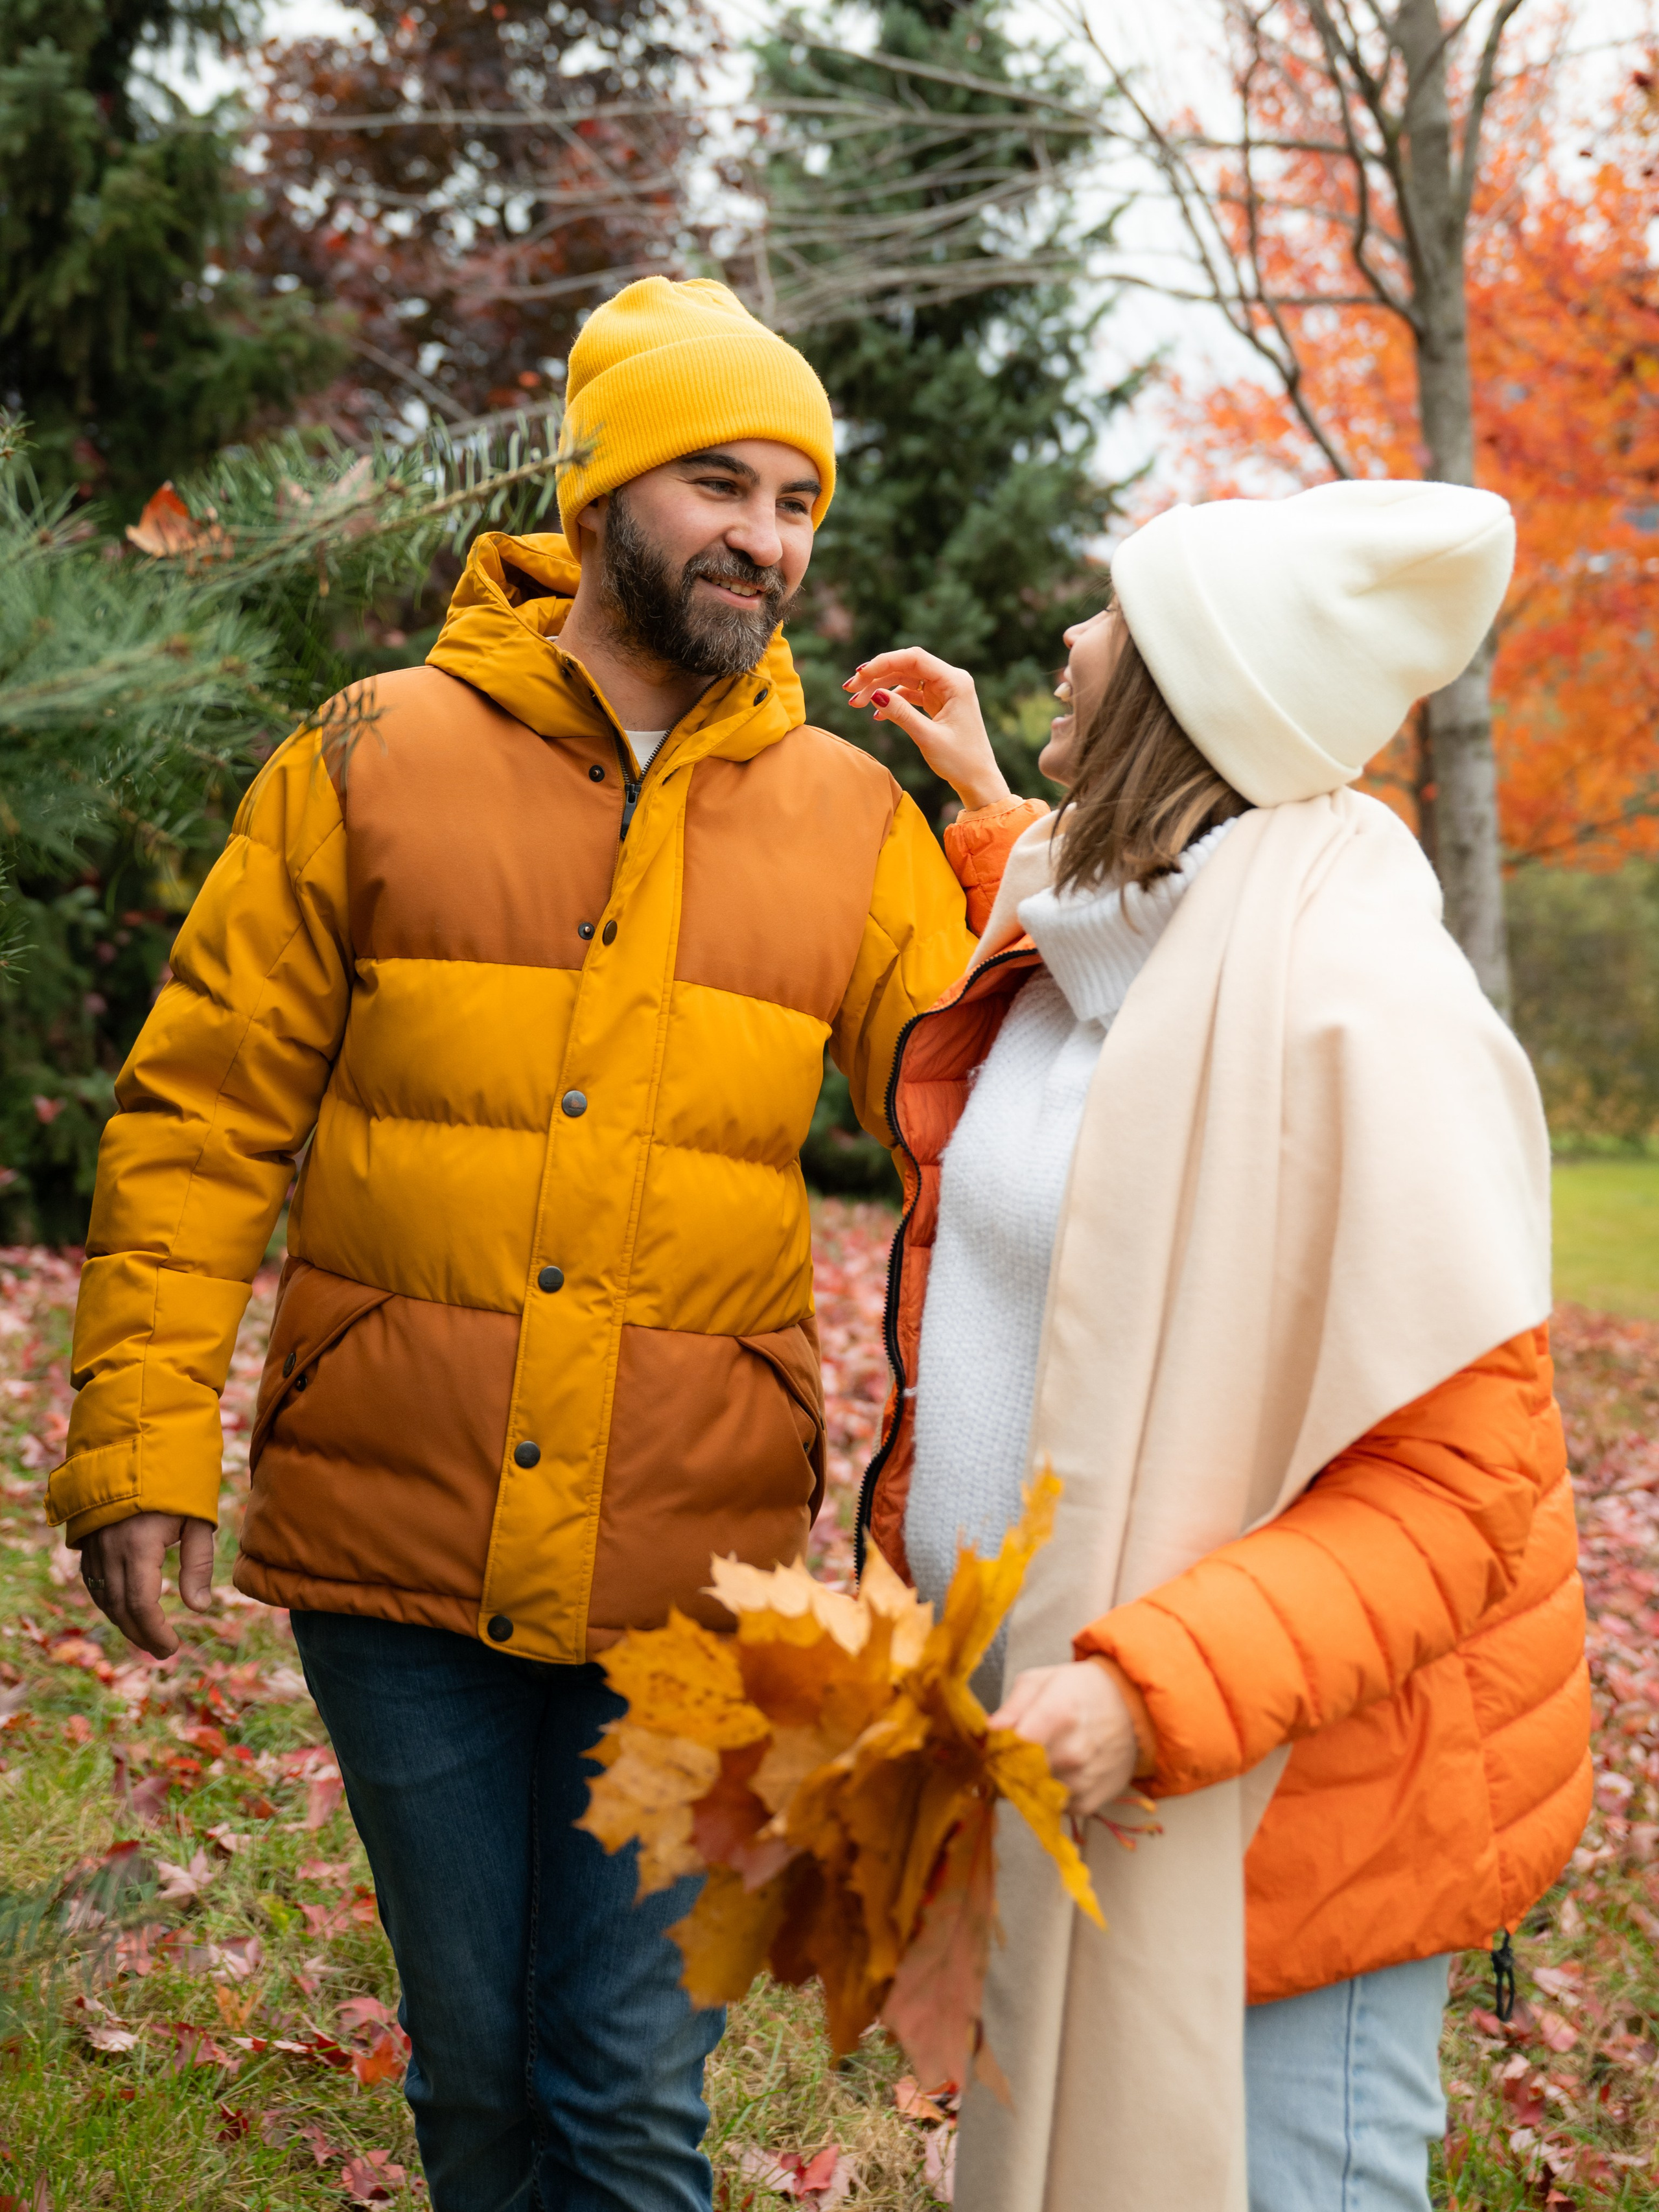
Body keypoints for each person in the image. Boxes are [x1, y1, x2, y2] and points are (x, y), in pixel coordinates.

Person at [46, 276, 1043, 2212]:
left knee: (623, 2096)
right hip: (393, 1533)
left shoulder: (847, 817)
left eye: (801, 500)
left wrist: (995, 831)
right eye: (722, 484)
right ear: (596, 500)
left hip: (694, 1550)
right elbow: (201, 1117)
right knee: (483, 2079)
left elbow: (1003, 1092)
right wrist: (142, 1438)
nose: (768, 535)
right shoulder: (367, 754)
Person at [850, 480, 1590, 2211]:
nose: (1067, 636)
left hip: (1294, 1788)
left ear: (1188, 693)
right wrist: (984, 801)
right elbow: (1110, 973)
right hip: (1071, 1756)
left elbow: (1455, 1494)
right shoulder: (1112, 933)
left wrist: (1143, 1689)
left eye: (1112, 617)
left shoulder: (1361, 1008)